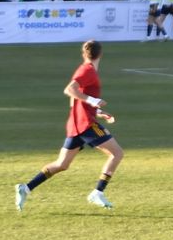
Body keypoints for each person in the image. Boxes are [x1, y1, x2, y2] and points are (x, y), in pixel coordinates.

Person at [15, 40, 123, 212]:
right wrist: (93, 101)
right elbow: (69, 90)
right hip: (85, 125)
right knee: (117, 153)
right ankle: (97, 192)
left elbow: (76, 99)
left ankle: (26, 188)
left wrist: (97, 112)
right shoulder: (87, 70)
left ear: (84, 53)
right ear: (101, 54)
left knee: (62, 164)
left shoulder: (87, 70)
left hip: (77, 124)